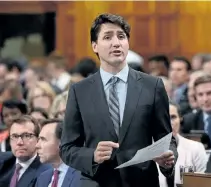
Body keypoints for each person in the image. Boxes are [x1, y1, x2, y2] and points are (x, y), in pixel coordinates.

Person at [60, 13, 178, 187]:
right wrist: (92, 155)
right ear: (95, 46)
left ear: (127, 43)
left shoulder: (152, 85)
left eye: (121, 36)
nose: (116, 42)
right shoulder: (80, 91)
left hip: (142, 182)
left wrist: (167, 159)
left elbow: (167, 139)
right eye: (107, 37)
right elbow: (67, 148)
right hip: (98, 182)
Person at [158, 101, 207, 187]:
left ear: (180, 119)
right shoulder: (146, 152)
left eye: (173, 117)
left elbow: (203, 184)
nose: (169, 123)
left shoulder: (196, 148)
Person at [0, 115, 51, 187]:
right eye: (15, 136)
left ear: (38, 139)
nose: (19, 142)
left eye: (27, 136)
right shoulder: (3, 161)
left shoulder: (46, 171)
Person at [35, 119, 81, 187]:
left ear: (62, 142)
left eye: (43, 139)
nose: (37, 145)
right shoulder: (42, 178)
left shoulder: (82, 176)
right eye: (38, 140)